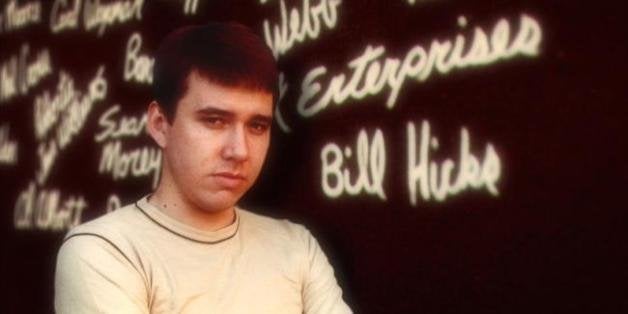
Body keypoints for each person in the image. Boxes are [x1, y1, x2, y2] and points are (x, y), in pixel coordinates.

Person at [54, 22, 352, 314]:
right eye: (214, 121)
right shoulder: (106, 251)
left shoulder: (296, 247)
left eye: (257, 125)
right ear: (160, 124)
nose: (239, 150)